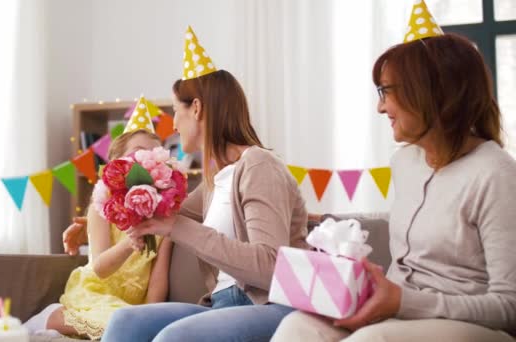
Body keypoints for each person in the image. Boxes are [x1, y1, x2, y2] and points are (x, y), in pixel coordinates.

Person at [272, 32, 516, 341]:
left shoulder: (496, 174)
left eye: (386, 91)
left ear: (428, 92)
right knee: (297, 327)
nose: (380, 107)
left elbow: (509, 307)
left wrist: (403, 302)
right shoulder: (405, 163)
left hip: (477, 327)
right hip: (400, 314)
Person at [96, 26, 309, 342]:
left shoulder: (259, 166)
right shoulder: (214, 182)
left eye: (175, 111)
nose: (172, 124)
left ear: (195, 108)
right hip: (222, 305)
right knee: (125, 322)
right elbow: (158, 211)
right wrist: (97, 216)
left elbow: (269, 265)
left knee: (174, 338)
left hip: (269, 304)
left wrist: (174, 226)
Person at [25, 126, 173, 340]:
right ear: (116, 163)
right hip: (94, 293)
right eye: (138, 151)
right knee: (119, 323)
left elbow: (158, 281)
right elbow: (101, 268)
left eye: (154, 155)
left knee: (135, 325)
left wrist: (150, 316)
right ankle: (55, 317)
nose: (146, 160)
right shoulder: (102, 207)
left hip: (128, 306)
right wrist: (129, 242)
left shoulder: (165, 221)